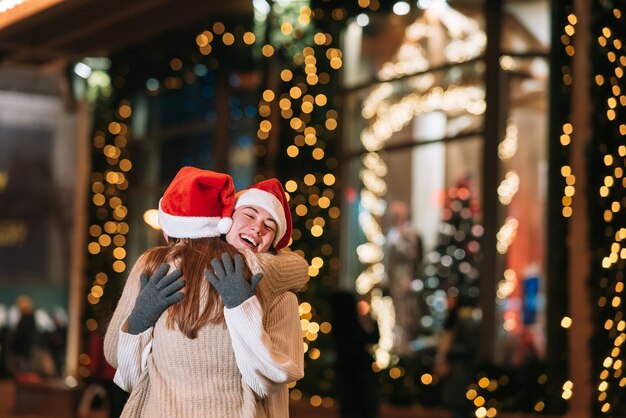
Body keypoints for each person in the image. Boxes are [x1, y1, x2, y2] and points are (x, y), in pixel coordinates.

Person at [104, 168, 307, 417]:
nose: (257, 228)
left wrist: (242, 307)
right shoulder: (158, 268)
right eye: (249, 215)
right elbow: (122, 365)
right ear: (226, 220)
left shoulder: (278, 293)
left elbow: (269, 382)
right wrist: (138, 320)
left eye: (269, 225)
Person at [330, 291, 380, 418]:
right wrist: (374, 321)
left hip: (346, 371)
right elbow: (372, 338)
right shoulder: (351, 323)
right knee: (361, 405)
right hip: (358, 372)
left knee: (349, 406)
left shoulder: (337, 323)